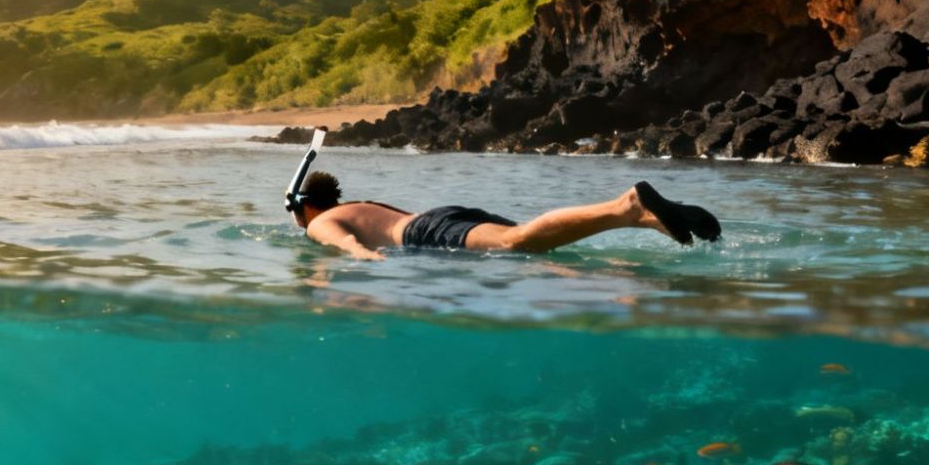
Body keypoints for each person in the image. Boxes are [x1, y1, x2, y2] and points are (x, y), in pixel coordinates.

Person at [289, 171, 722, 260]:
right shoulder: (364, 205)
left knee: (519, 244)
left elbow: (343, 243)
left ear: (306, 206)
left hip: (426, 233)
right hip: (442, 216)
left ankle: (626, 206)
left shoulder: (321, 221)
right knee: (535, 248)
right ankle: (653, 219)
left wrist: (362, 260)